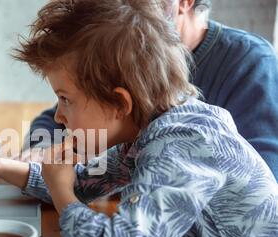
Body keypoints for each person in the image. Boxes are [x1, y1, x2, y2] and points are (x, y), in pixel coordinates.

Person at [0, 0, 278, 237]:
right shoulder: (149, 132)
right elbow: (79, 182)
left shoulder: (181, 144)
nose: (59, 115)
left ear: (120, 102)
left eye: (65, 99)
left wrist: (63, 194)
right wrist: (0, 166)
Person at [24, 0, 278, 180]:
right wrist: (42, 152)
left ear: (184, 2)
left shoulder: (250, 60)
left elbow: (266, 169)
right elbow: (57, 118)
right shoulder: (124, 52)